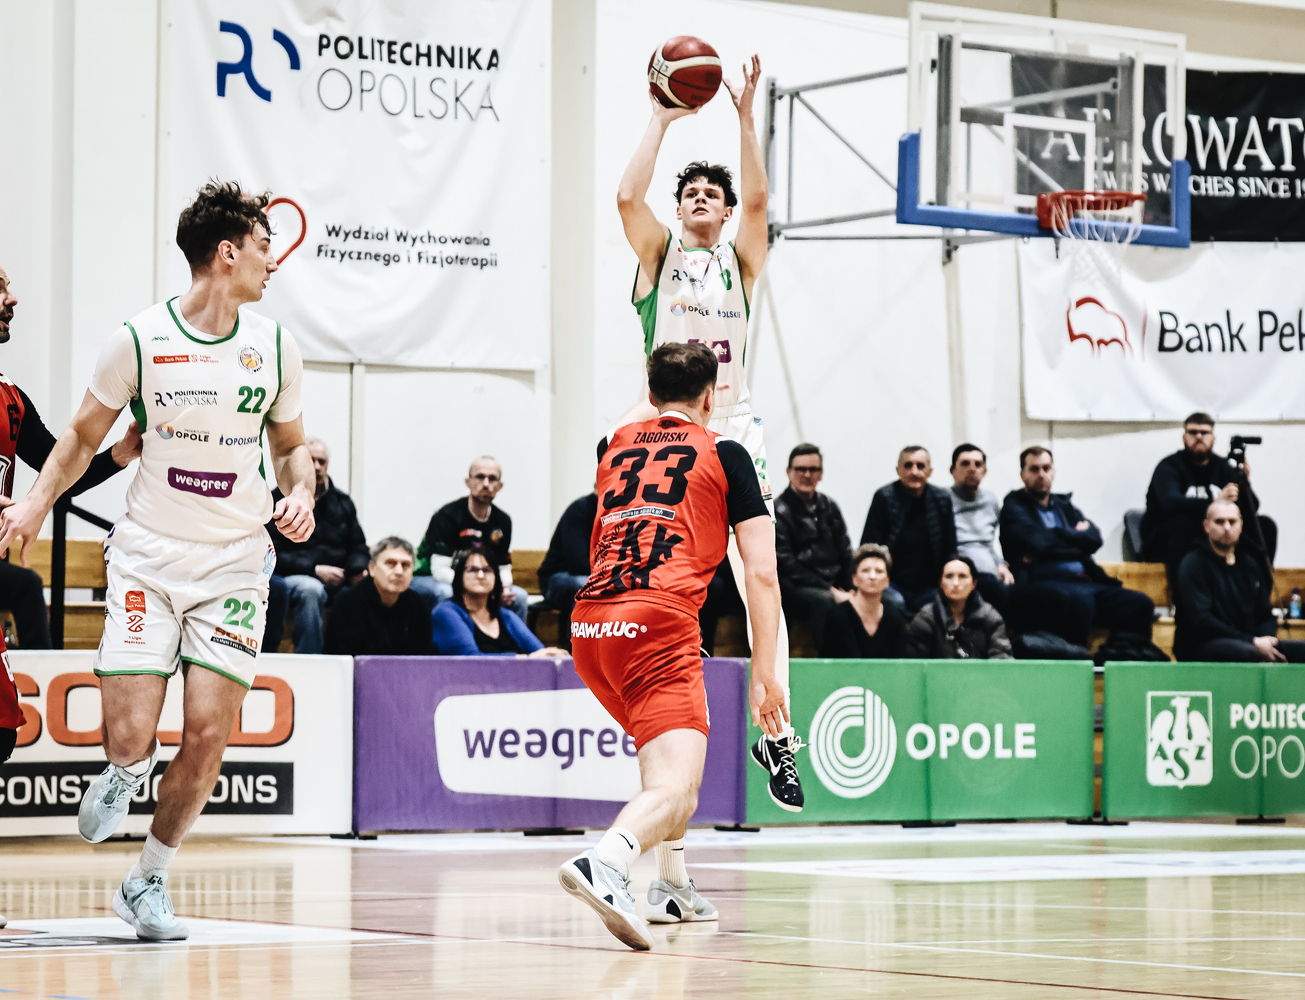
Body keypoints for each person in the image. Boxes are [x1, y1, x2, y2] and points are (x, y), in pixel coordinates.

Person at [0, 181, 314, 941]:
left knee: (207, 734)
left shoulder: (276, 347)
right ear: (227, 252)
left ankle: (147, 879)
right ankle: (127, 769)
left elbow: (290, 446)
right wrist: (36, 503)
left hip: (235, 562)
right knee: (128, 736)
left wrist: (301, 489)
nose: (272, 262)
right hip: (146, 556)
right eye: (263, 247)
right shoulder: (138, 340)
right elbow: (79, 438)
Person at [612, 54, 804, 810]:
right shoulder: (658, 258)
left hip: (731, 430)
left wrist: (746, 119)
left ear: (723, 214)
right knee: (662, 580)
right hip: (662, 428)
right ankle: (656, 712)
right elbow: (626, 196)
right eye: (689, 192)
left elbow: (759, 199)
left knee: (765, 581)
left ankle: (777, 733)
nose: (700, 198)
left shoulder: (741, 264)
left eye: (710, 195)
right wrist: (661, 117)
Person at [558, 343, 785, 951]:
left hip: (591, 629)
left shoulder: (613, 445)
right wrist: (766, 670)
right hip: (658, 623)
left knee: (664, 766)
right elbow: (762, 573)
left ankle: (672, 886)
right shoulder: (728, 453)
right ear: (712, 397)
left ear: (651, 391)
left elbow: (640, 414)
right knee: (678, 785)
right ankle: (607, 861)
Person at [0, 266, 142, 648]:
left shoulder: (11, 397)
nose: (13, 299)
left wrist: (118, 455)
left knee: (22, 585)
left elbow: (61, 474)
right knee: (26, 586)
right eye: (0, 289)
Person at [1000, 447, 1153, 648]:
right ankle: (1075, 661)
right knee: (1080, 602)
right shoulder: (1014, 507)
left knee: (1139, 604)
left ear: (1053, 472)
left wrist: (1054, 544)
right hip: (1041, 583)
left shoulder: (1064, 506)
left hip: (1084, 581)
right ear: (1023, 474)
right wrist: (1075, 537)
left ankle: (1119, 656)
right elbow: (1036, 542)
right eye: (1034, 469)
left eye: (1046, 468)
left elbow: (1094, 538)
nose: (1041, 474)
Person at [1142, 412, 1274, 592]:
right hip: (1169, 537)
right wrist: (1215, 502)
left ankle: (1260, 595)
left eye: (1204, 432)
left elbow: (1252, 508)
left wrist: (1244, 485)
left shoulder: (1223, 466)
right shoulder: (1169, 466)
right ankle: (1183, 596)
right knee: (1182, 523)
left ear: (1213, 438)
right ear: (1184, 437)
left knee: (1265, 525)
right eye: (1193, 432)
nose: (1198, 437)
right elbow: (1170, 503)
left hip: (1212, 534)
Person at [268, 439, 367, 653]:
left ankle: (351, 661)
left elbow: (358, 545)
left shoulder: (342, 501)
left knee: (366, 589)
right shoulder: (277, 500)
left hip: (339, 576)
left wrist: (356, 569)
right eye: (310, 460)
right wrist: (314, 570)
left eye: (321, 461)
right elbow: (271, 552)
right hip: (293, 577)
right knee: (311, 590)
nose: (316, 466)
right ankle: (310, 661)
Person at [1174, 500, 1305, 662]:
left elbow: (1264, 615)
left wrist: (1267, 641)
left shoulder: (1250, 564)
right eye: (1219, 522)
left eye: (1232, 521)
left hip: (1249, 641)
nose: (1226, 527)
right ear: (1206, 526)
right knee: (1248, 653)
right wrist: (1253, 641)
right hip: (1202, 644)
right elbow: (1202, 621)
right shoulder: (1193, 564)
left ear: (1241, 525)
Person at [412, 456, 530, 622]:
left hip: (479, 580)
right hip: (428, 577)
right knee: (447, 593)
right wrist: (477, 586)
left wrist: (501, 587)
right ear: (468, 482)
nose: (486, 484)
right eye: (480, 477)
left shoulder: (503, 521)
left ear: (499, 486)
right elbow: (439, 570)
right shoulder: (447, 516)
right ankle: (446, 638)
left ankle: (510, 639)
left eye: (492, 478)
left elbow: (503, 567)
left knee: (519, 597)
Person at [860, 446, 957, 614]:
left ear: (930, 471)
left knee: (942, 604)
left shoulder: (942, 499)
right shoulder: (884, 498)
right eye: (908, 465)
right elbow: (869, 548)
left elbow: (950, 549)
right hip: (890, 583)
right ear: (898, 470)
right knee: (895, 603)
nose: (914, 471)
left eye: (920, 466)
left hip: (930, 586)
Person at [775, 443, 853, 649]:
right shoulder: (778, 510)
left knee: (880, 599)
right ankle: (828, 661)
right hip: (798, 585)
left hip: (833, 581)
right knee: (824, 600)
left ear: (821, 473)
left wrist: (853, 588)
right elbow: (786, 563)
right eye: (801, 469)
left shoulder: (830, 505)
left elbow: (845, 551)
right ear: (788, 472)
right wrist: (830, 589)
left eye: (813, 469)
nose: (807, 475)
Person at [431, 546, 566, 658]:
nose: (480, 575)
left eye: (487, 570)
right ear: (459, 576)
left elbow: (539, 652)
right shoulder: (445, 613)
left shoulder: (506, 616)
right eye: (473, 570)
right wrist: (525, 658)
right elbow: (470, 661)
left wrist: (552, 655)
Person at [325, 537, 435, 656]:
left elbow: (424, 653)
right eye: (391, 563)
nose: (399, 571)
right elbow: (354, 655)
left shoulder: (419, 605)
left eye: (405, 565)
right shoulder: (348, 604)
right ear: (372, 568)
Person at [904, 555, 1013, 659]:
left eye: (962, 576)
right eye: (949, 576)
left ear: (974, 583)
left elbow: (1002, 660)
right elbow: (916, 664)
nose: (955, 583)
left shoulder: (990, 617)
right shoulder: (926, 618)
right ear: (941, 583)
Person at [949, 443, 1014, 613]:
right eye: (965, 463)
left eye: (978, 464)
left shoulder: (990, 499)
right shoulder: (943, 499)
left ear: (984, 471)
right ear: (952, 470)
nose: (972, 469)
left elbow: (988, 543)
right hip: (960, 569)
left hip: (991, 570)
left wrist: (1001, 565)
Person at [819, 544, 908, 659]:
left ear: (887, 581)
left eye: (879, 571)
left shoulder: (895, 617)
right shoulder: (838, 615)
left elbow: (900, 662)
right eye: (865, 570)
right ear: (854, 579)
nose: (872, 576)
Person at [537, 489, 598, 644]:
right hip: (557, 577)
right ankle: (576, 650)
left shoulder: (621, 514)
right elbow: (578, 562)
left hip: (593, 577)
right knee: (586, 587)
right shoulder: (580, 510)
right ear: (596, 486)